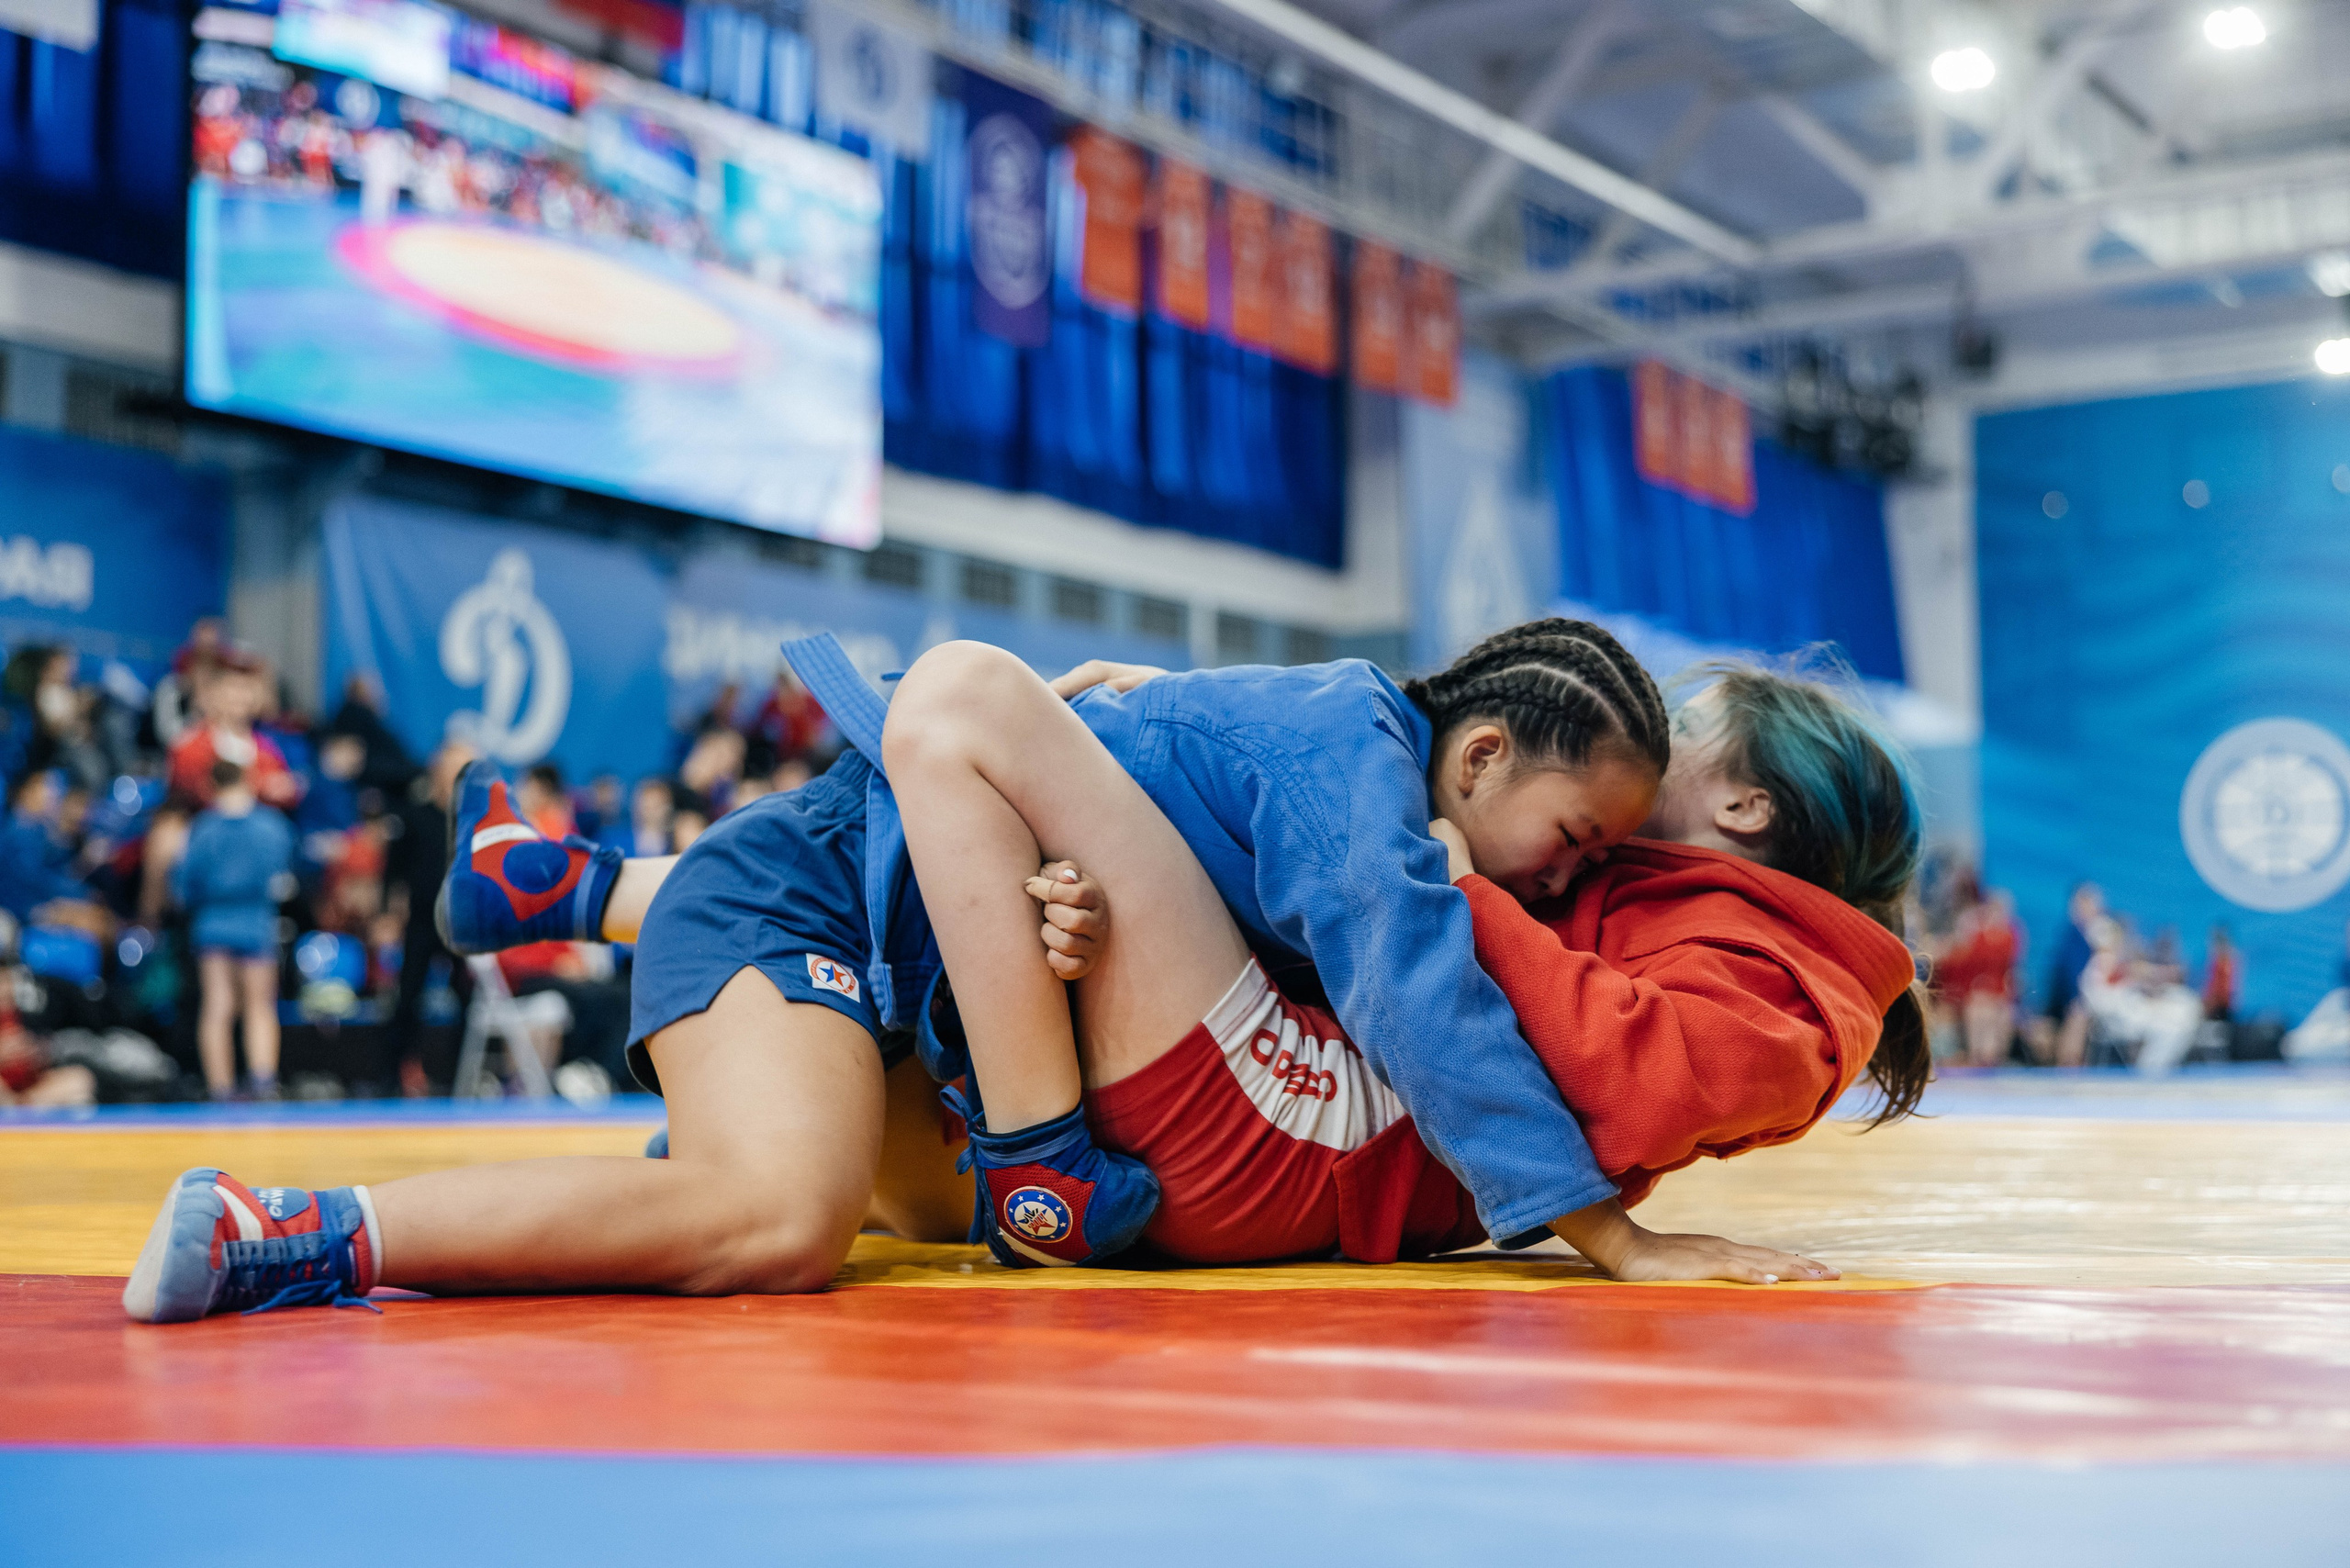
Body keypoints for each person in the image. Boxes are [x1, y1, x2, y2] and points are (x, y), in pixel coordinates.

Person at [124, 620, 1785, 1323]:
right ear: (1482, 752)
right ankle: (298, 1225)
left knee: (814, 1190)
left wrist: (1075, 903)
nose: (1574, 882)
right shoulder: (1360, 761)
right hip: (819, 913)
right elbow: (1407, 963)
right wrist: (1605, 1228)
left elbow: (1174, 830)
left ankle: (556, 880)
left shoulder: (1325, 759)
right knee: (775, 1217)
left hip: (891, 938)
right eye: (1573, 835)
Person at [874, 653, 1923, 1271]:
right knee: (867, 1140)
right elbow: (1399, 792)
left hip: (1300, 1122)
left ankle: (1039, 1164)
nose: (1659, 716)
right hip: (1283, 1104)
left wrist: (1616, 1242)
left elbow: (1608, 1064)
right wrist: (1196, 728)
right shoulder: (1650, 893)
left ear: (1743, 805)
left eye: (1688, 724)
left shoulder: (1789, 987)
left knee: (966, 692)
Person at [173, 760, 296, 1100]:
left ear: (211, 786)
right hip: (256, 919)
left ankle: (220, 1086)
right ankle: (263, 1080)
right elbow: (285, 871)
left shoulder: (204, 828)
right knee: (260, 1005)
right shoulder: (271, 826)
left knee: (217, 1005)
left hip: (213, 921)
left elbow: (184, 881)